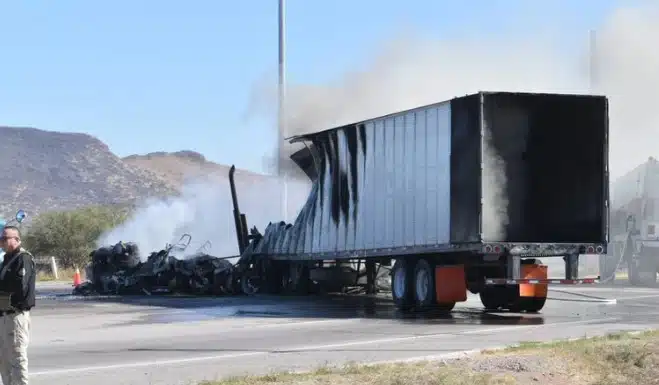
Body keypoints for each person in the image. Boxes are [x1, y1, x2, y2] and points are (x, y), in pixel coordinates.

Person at [0, 226, 35, 385]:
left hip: (16, 315)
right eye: (2, 239)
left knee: (17, 358)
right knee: (4, 359)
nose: (2, 242)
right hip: (4, 315)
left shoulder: (23, 258)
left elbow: (20, 288)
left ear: (17, 239)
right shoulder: (7, 259)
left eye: (5, 238)